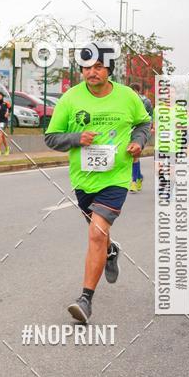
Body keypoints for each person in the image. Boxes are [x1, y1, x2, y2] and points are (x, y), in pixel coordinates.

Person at [45, 46, 151, 322]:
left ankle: (85, 300)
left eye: (98, 67)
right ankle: (111, 250)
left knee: (95, 233)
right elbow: (51, 137)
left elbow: (143, 124)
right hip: (83, 179)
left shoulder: (128, 97)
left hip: (116, 178)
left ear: (109, 70)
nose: (92, 72)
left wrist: (138, 142)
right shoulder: (70, 98)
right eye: (87, 67)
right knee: (99, 235)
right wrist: (76, 138)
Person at [129, 82, 152, 192]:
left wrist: (148, 129)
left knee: (135, 155)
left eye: (134, 91)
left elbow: (149, 117)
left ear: (138, 91)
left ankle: (133, 181)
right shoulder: (126, 101)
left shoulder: (146, 102)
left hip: (139, 132)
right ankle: (139, 177)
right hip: (128, 131)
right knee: (130, 156)